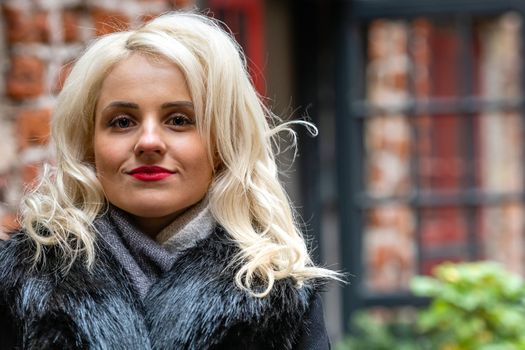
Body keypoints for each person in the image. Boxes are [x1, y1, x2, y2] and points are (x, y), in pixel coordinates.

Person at [0, 11, 340, 349]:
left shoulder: (279, 293)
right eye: (121, 121)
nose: (149, 142)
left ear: (223, 143)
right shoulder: (19, 283)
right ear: (89, 145)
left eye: (179, 119)